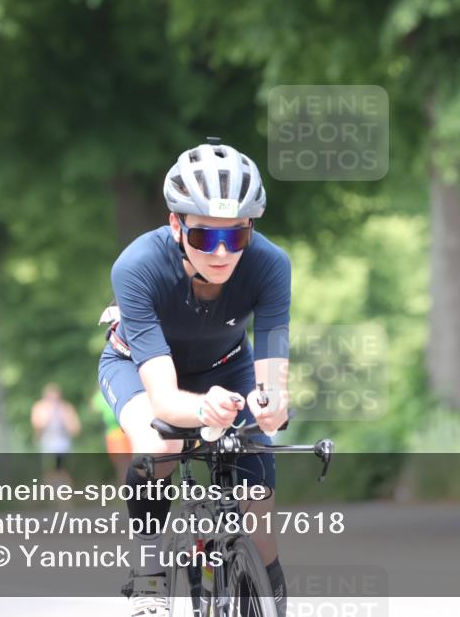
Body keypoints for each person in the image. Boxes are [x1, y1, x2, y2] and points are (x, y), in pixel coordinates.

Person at [98, 137, 291, 617]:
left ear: (251, 230)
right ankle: (148, 573)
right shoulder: (137, 267)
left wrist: (271, 405)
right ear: (175, 225)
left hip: (227, 366)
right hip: (139, 370)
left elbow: (271, 377)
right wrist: (203, 409)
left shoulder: (271, 265)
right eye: (206, 237)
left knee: (257, 501)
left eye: (237, 236)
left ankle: (273, 591)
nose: (223, 253)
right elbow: (164, 401)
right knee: (162, 444)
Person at [31, 383, 81, 484]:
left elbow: (76, 428)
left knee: (63, 469)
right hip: (47, 442)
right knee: (49, 469)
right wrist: (47, 417)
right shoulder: (40, 407)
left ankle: (64, 492)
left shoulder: (66, 408)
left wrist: (66, 420)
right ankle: (50, 491)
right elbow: (36, 426)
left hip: (63, 443)